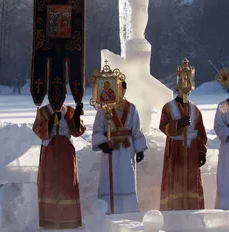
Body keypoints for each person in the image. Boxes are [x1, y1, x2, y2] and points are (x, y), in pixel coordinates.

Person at [92, 80, 147, 214]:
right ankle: (108, 209)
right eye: (119, 89)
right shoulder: (104, 109)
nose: (122, 92)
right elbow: (97, 128)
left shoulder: (132, 108)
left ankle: (129, 209)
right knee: (109, 179)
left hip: (127, 148)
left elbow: (136, 129)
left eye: (123, 89)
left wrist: (140, 149)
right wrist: (103, 143)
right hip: (110, 148)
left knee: (126, 178)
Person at [33, 100, 85, 229]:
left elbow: (77, 132)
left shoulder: (69, 111)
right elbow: (37, 129)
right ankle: (50, 218)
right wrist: (50, 123)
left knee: (67, 182)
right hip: (50, 150)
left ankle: (69, 218)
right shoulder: (44, 111)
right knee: (50, 181)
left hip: (66, 150)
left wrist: (77, 117)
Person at [159, 84, 207, 210]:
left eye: (188, 89)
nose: (186, 92)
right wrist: (178, 124)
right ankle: (174, 207)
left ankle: (193, 207)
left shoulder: (194, 109)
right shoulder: (168, 107)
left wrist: (202, 151)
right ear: (177, 89)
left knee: (192, 179)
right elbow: (163, 126)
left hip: (192, 149)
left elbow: (200, 131)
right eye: (183, 89)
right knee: (175, 177)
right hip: (175, 148)